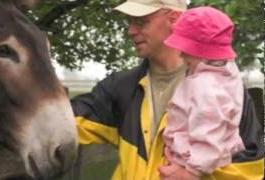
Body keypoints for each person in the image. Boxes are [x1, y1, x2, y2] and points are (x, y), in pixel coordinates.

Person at [71, 1, 264, 180]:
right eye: (129, 22)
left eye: (140, 21)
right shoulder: (120, 87)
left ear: (174, 19)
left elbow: (252, 169)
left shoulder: (224, 90)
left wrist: (195, 175)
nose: (130, 30)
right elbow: (67, 123)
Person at [160, 6, 245, 178]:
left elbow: (208, 131)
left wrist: (190, 172)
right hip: (203, 159)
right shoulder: (228, 74)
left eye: (186, 50)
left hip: (191, 162)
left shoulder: (205, 86)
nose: (182, 56)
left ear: (203, 52)